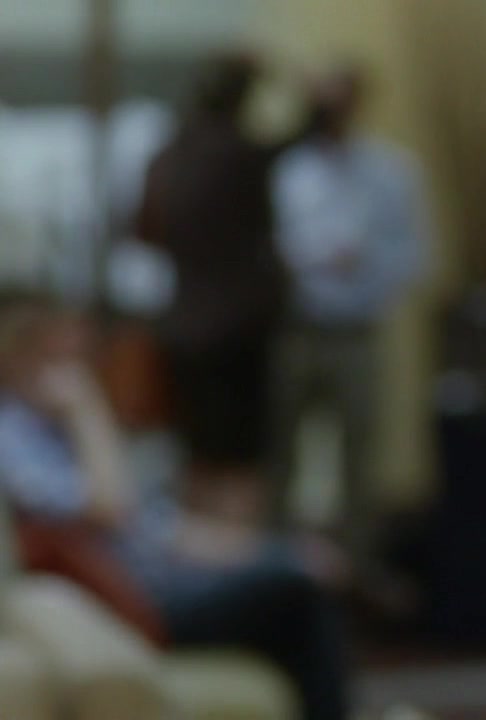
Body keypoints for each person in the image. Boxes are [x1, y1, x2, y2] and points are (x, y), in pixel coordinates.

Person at [0, 289, 350, 720]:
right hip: (134, 599)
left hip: (167, 573)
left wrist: (266, 549)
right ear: (19, 356)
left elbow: (162, 528)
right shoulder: (12, 435)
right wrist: (87, 411)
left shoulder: (59, 428)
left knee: (298, 570)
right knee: (298, 592)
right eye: (62, 353)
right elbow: (111, 509)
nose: (82, 366)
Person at [270, 61, 428, 565]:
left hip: (356, 331)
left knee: (360, 453)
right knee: (280, 450)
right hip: (295, 329)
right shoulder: (287, 169)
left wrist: (365, 268)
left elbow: (413, 254)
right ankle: (278, 562)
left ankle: (356, 567)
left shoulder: (390, 171)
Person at [135, 51, 294, 524]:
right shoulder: (239, 153)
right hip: (237, 326)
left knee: (199, 450)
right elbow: (303, 135)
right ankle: (233, 552)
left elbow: (143, 229)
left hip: (186, 322)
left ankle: (205, 544)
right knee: (239, 454)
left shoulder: (169, 156)